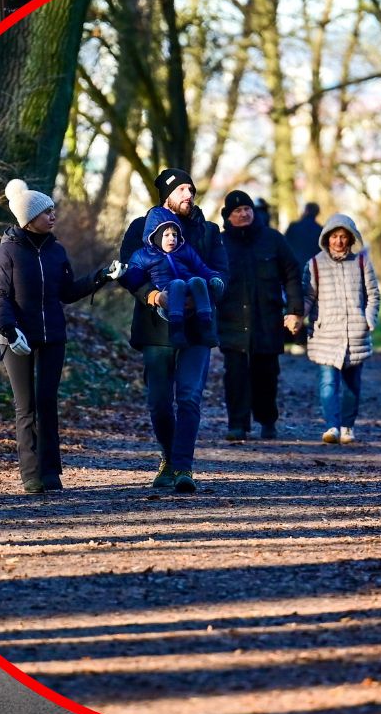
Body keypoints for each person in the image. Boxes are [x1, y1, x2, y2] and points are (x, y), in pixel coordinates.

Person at [0, 179, 123, 493]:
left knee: (47, 402)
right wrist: (10, 331)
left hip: (53, 336)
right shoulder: (8, 250)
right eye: (47, 212)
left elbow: (68, 293)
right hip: (17, 339)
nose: (53, 216)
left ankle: (51, 473)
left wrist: (102, 276)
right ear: (29, 218)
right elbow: (0, 296)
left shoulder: (57, 251)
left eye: (53, 210)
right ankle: (31, 476)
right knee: (25, 406)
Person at [120, 167, 229, 493]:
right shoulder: (140, 228)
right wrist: (154, 296)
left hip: (198, 327)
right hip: (155, 329)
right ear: (166, 194)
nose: (189, 196)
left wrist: (204, 296)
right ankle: (168, 457)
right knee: (159, 402)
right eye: (182, 190)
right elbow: (128, 272)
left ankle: (183, 467)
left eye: (191, 190)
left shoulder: (207, 231)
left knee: (189, 397)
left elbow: (222, 273)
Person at [215, 190, 304, 441]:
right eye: (237, 211)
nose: (243, 214)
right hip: (232, 323)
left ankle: (267, 421)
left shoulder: (273, 240)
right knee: (235, 376)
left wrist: (295, 311)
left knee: (266, 375)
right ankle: (237, 424)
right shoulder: (219, 245)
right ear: (227, 216)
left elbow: (292, 275)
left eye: (247, 209)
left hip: (267, 321)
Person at [304, 213, 380, 445]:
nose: (338, 241)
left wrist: (369, 319)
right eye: (334, 236)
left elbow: (373, 294)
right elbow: (307, 296)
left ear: (350, 239)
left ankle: (347, 426)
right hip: (325, 332)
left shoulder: (361, 262)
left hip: (356, 333)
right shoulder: (314, 264)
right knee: (328, 383)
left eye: (343, 237)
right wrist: (297, 316)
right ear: (327, 238)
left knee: (352, 385)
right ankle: (331, 426)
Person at [117, 207, 223, 349]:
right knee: (177, 283)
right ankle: (176, 329)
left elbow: (201, 267)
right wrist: (127, 275)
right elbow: (134, 276)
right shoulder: (143, 255)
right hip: (167, 297)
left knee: (198, 280)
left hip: (190, 294)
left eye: (174, 235)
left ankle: (206, 326)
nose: (172, 239)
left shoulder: (184, 250)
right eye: (166, 235)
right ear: (155, 236)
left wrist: (213, 277)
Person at [283, 202, 322, 354]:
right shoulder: (320, 230)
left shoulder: (293, 227)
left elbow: (284, 247)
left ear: (305, 211)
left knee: (294, 307)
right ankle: (311, 341)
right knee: (312, 308)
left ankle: (298, 340)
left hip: (293, 273)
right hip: (313, 274)